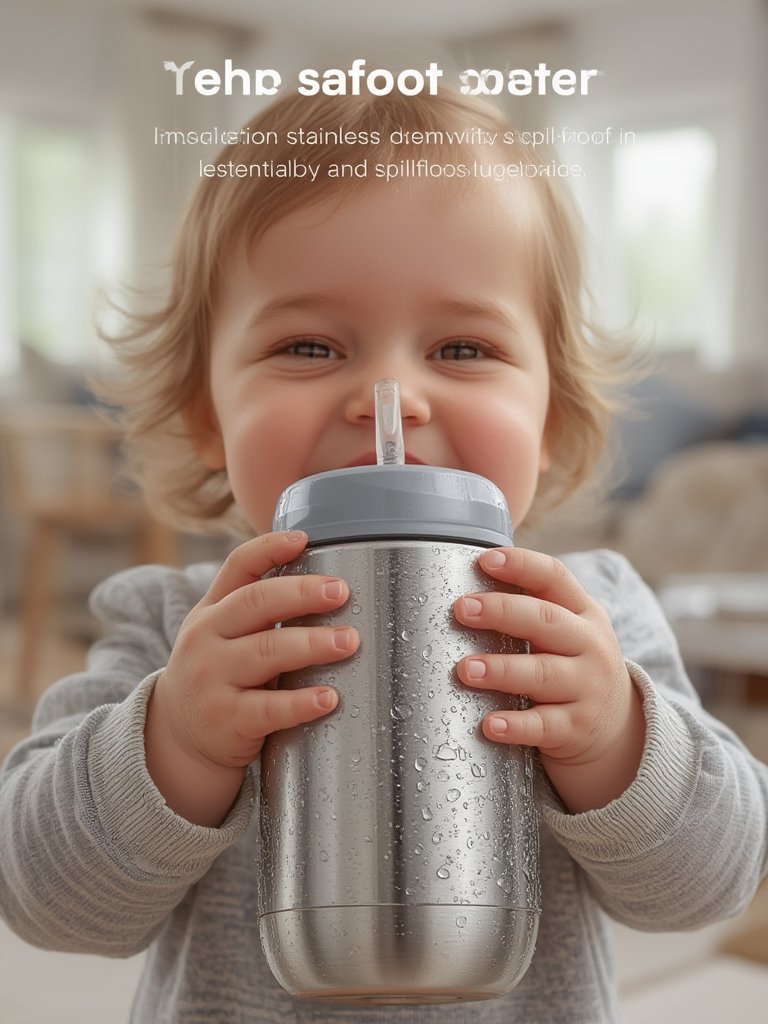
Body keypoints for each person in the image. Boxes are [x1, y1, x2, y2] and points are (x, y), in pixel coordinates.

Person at [1, 87, 767, 1024]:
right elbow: (44, 899)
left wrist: (615, 739)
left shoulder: (586, 622)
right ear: (208, 415)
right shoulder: (172, 630)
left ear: (551, 419)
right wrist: (174, 742)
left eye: (462, 347)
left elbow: (717, 882)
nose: (390, 398)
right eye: (309, 345)